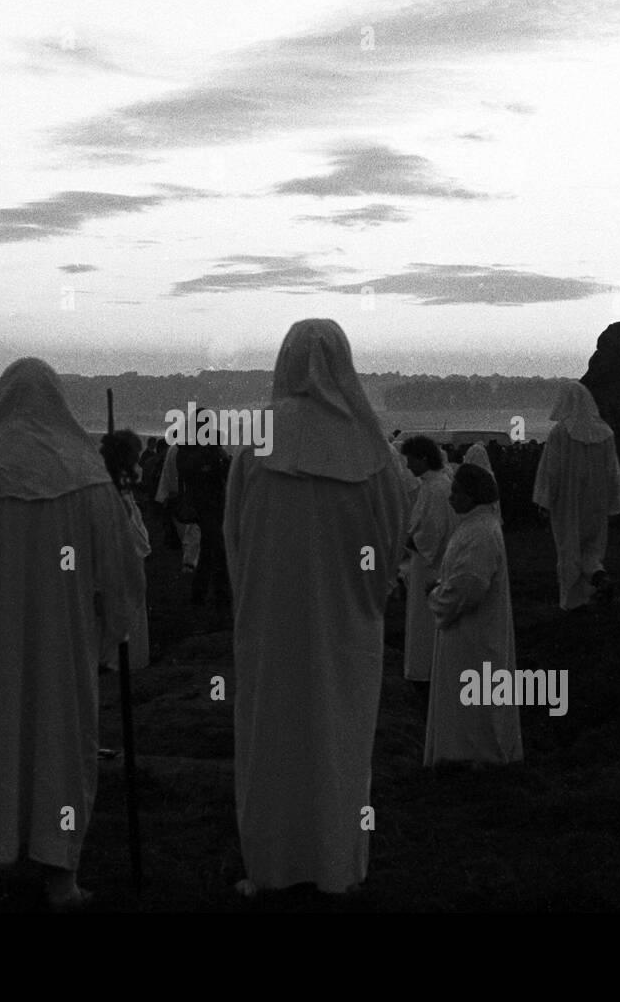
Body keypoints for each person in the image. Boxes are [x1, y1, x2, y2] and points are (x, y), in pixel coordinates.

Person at [0, 359, 142, 910]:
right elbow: (116, 574)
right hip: (61, 646)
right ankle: (59, 872)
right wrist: (107, 630)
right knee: (60, 744)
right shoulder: (86, 475)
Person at [225, 319, 405, 896]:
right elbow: (392, 534)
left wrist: (251, 595)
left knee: (271, 737)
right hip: (346, 623)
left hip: (272, 618)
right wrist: (368, 597)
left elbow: (234, 533)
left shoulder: (257, 441)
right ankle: (336, 865)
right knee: (340, 736)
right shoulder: (370, 447)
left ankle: (272, 865)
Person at [425, 463, 523, 766]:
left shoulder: (479, 531)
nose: (451, 497)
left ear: (471, 495)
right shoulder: (477, 525)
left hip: (473, 634)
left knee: (472, 697)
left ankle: (473, 757)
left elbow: (470, 584)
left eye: (456, 492)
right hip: (473, 631)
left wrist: (436, 596)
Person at [532, 382, 620, 610]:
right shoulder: (605, 432)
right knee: (592, 547)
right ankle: (598, 578)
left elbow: (550, 469)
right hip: (597, 499)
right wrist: (615, 503)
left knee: (569, 548)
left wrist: (544, 501)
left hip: (568, 500)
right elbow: (613, 470)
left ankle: (572, 600)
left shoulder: (560, 432)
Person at [399, 436, 456, 686]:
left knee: (424, 620)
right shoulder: (434, 484)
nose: (408, 466)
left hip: (430, 562)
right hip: (428, 559)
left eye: (410, 460)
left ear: (423, 458)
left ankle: (424, 670)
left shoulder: (435, 488)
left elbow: (432, 529)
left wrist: (412, 542)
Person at [100, 428, 152, 669]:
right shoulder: (109, 484)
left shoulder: (120, 479)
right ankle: (123, 661)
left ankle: (130, 659)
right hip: (121, 552)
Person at [177, 432, 231, 614]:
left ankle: (200, 595)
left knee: (209, 552)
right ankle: (221, 599)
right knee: (218, 552)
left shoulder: (198, 452)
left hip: (210, 507)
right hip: (207, 508)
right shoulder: (197, 454)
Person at [155, 441, 201, 571]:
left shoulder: (173, 449)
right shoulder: (198, 449)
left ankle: (189, 561)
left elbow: (166, 473)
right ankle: (190, 562)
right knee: (192, 529)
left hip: (176, 496)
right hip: (190, 496)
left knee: (187, 529)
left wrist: (163, 495)